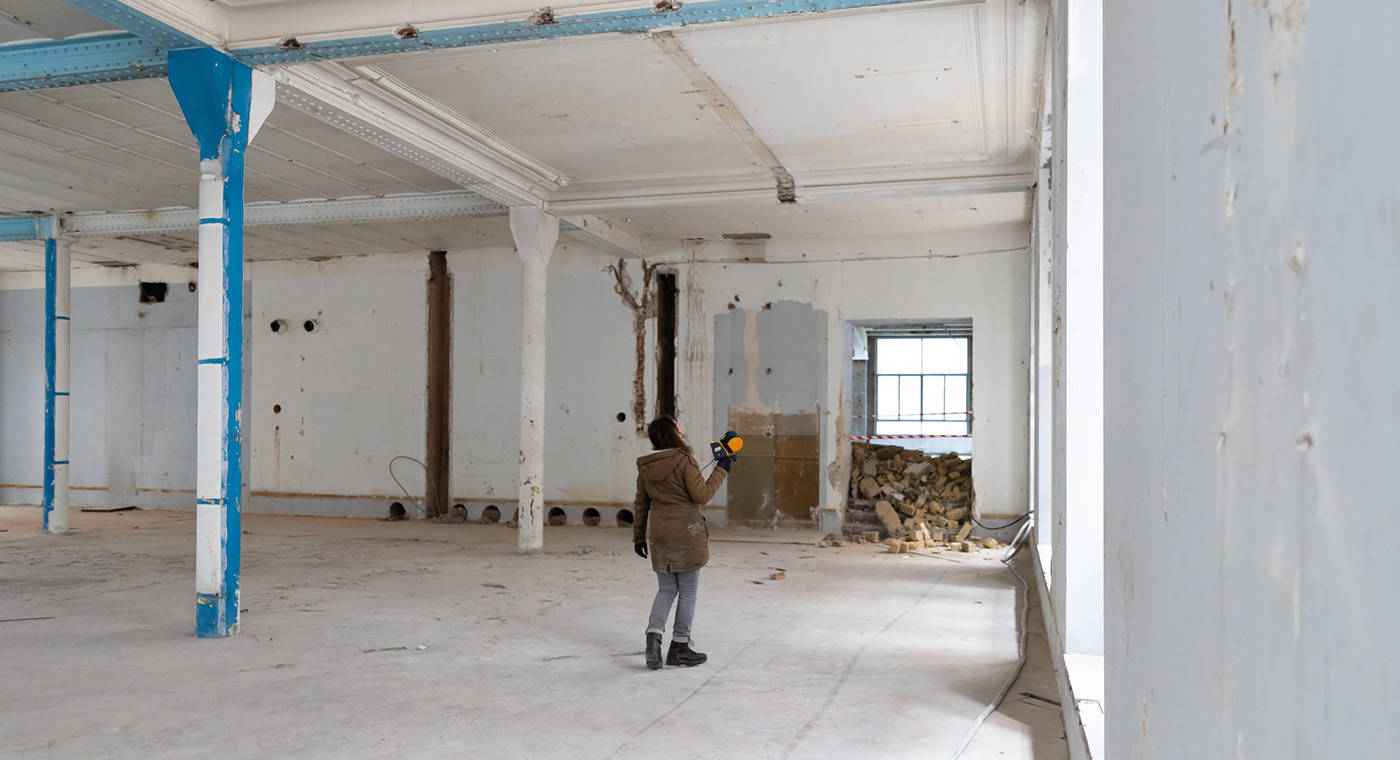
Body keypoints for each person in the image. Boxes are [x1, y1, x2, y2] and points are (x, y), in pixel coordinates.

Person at [632, 416, 732, 670]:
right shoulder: (683, 460)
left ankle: (653, 637)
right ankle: (679, 647)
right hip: (686, 533)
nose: (682, 429)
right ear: (672, 433)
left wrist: (638, 536)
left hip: (660, 534)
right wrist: (723, 468)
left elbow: (642, 504)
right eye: (678, 426)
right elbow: (703, 495)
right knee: (687, 592)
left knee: (666, 590)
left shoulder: (646, 466)